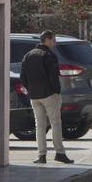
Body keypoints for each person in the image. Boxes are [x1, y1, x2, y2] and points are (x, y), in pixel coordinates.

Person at [21, 30, 73, 165]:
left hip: (34, 96)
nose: (54, 43)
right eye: (54, 40)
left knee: (40, 126)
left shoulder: (28, 55)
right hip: (49, 95)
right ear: (48, 40)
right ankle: (60, 153)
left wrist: (31, 90)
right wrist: (56, 91)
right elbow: (53, 76)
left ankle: (41, 155)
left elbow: (23, 77)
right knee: (55, 123)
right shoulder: (49, 55)